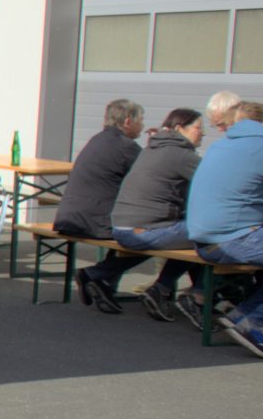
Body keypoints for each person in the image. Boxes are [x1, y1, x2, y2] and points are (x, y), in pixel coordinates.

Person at [186, 96, 263, 362]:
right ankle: (259, 322)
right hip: (238, 235)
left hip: (203, 237)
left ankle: (243, 315)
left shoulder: (226, 143)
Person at [105, 108, 208, 324]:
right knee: (206, 233)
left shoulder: (152, 147)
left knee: (191, 237)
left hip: (121, 225)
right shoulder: (181, 155)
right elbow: (217, 184)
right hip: (142, 229)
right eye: (199, 128)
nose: (203, 133)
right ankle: (186, 294)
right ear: (180, 129)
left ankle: (167, 289)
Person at [53, 99, 145, 311]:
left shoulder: (97, 140)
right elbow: (149, 178)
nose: (143, 125)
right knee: (147, 240)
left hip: (70, 216)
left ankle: (104, 283)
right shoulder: (126, 147)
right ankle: (95, 275)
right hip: (94, 221)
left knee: (133, 232)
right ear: (128, 121)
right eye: (141, 120)